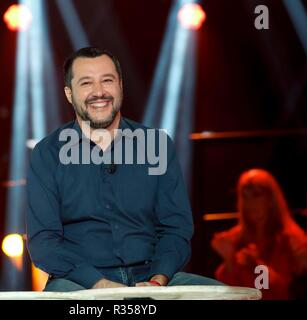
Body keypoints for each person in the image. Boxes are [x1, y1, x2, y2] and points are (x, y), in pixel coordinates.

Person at [26, 47, 221, 292]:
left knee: (228, 297)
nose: (99, 92)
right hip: (79, 283)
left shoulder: (156, 145)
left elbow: (176, 229)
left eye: (107, 80)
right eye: (86, 83)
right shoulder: (47, 154)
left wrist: (156, 281)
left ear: (120, 85)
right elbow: (44, 243)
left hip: (152, 278)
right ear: (69, 93)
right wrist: (100, 285)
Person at [211, 169, 307, 299]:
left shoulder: (290, 238)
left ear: (271, 199)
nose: (250, 203)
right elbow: (226, 292)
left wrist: (257, 265)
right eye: (245, 196)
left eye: (256, 195)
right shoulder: (235, 237)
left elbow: (285, 291)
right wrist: (229, 260)